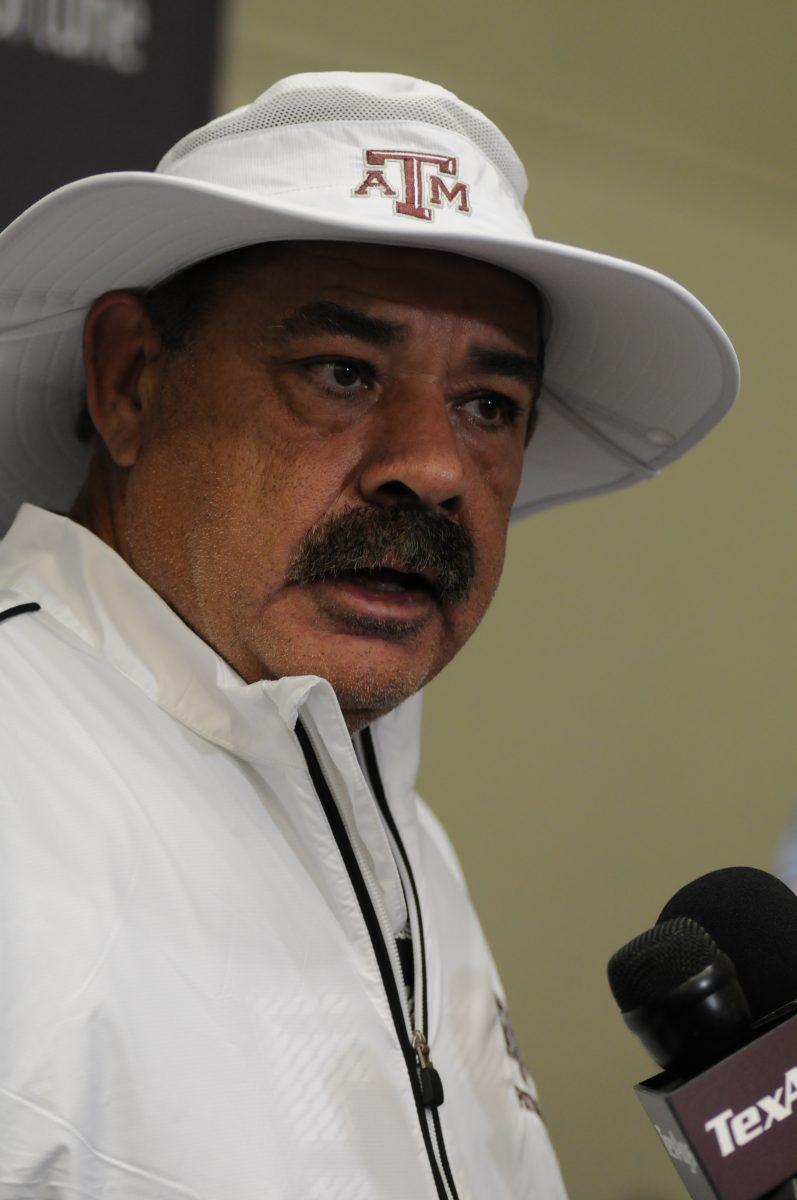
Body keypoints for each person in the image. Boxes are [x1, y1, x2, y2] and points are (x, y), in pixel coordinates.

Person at [0, 72, 738, 1199]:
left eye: (487, 406)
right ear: (131, 381)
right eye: (342, 373)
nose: (435, 468)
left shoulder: (383, 810)